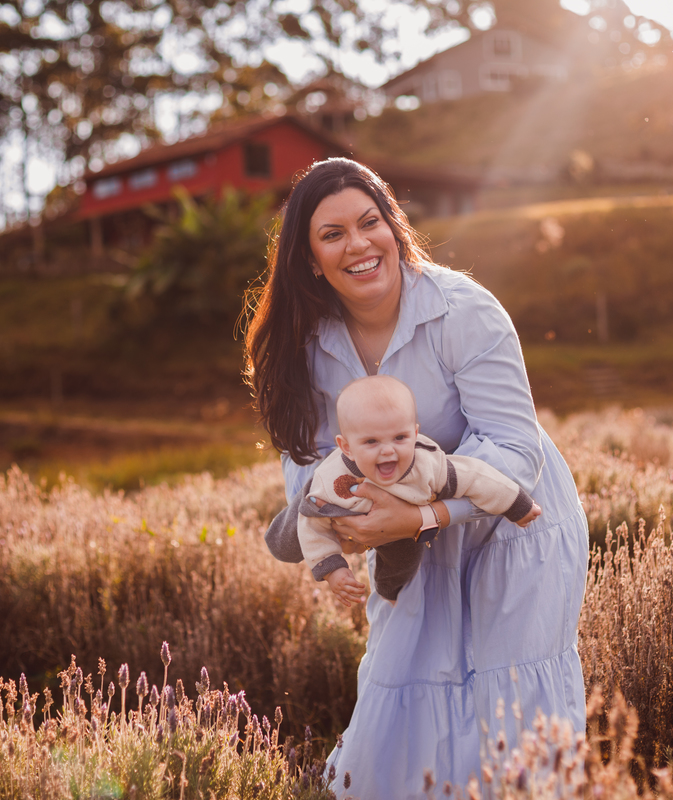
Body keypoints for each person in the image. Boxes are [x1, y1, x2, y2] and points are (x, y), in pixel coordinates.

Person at [244, 158, 587, 797]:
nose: (359, 244)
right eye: (333, 234)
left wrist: (424, 515)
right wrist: (349, 526)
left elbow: (515, 450)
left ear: (394, 229)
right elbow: (307, 471)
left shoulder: (463, 310)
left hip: (513, 522)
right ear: (310, 259)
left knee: (512, 709)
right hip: (406, 543)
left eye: (370, 222)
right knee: (402, 691)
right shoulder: (304, 344)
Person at [297, 374, 542, 607]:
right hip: (348, 507)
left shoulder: (427, 465)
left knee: (402, 556)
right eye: (371, 441)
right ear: (347, 447)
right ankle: (279, 542)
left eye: (400, 437)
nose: (388, 450)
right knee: (301, 521)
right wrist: (333, 569)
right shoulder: (331, 481)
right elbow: (311, 524)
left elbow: (476, 476)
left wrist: (517, 505)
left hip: (407, 515)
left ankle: (392, 592)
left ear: (415, 434)